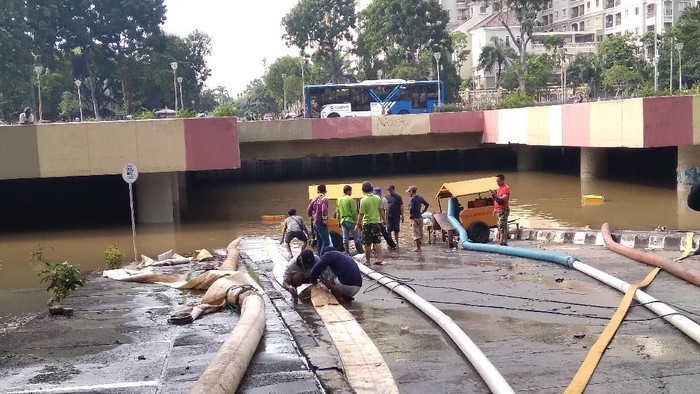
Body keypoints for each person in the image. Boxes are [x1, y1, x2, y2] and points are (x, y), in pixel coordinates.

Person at [356, 181, 386, 266]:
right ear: (372, 188)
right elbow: (381, 211)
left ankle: (368, 261)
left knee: (367, 243)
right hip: (377, 222)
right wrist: (384, 220)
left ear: (363, 190)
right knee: (377, 242)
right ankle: (380, 259)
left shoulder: (363, 200)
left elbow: (361, 214)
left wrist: (358, 224)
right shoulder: (377, 198)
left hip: (367, 224)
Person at [335, 185, 363, 255]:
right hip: (350, 220)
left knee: (345, 236)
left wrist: (338, 220)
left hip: (342, 220)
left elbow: (337, 211)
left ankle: (347, 251)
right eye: (350, 191)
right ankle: (360, 251)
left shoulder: (339, 199)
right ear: (348, 191)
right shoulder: (350, 199)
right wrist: (357, 221)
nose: (351, 192)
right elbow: (354, 212)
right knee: (356, 236)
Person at [307, 184, 332, 255]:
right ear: (325, 191)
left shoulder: (314, 199)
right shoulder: (324, 199)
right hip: (321, 222)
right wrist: (324, 221)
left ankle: (319, 256)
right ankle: (322, 257)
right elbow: (324, 210)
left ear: (317, 191)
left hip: (315, 222)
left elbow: (308, 210)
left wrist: (311, 218)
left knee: (319, 241)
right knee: (326, 242)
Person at [406, 185, 429, 252]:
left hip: (414, 218)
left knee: (415, 234)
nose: (408, 193)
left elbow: (412, 208)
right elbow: (427, 204)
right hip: (420, 217)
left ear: (411, 191)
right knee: (420, 232)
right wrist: (423, 212)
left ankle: (418, 248)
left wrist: (409, 209)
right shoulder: (420, 197)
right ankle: (419, 247)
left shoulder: (412, 199)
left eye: (409, 192)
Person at [491, 174, 511, 246]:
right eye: (496, 181)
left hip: (503, 209)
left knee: (502, 224)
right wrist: (495, 209)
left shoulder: (506, 188)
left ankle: (502, 240)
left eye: (498, 181)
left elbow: (504, 198)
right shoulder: (499, 188)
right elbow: (497, 200)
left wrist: (496, 196)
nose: (497, 183)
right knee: (500, 225)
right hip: (498, 209)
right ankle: (503, 240)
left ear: (502, 180)